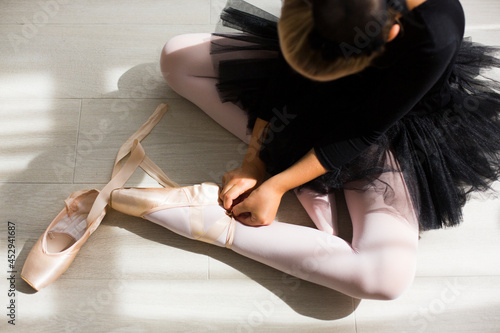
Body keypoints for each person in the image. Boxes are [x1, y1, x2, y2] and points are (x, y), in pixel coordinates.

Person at [110, 0, 500, 300]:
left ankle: (210, 222)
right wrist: (254, 161)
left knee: (387, 279)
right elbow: (285, 72)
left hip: (383, 129)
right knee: (175, 57)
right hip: (309, 94)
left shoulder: (436, 31)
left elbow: (365, 128)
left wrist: (276, 186)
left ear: (391, 33)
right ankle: (311, 182)